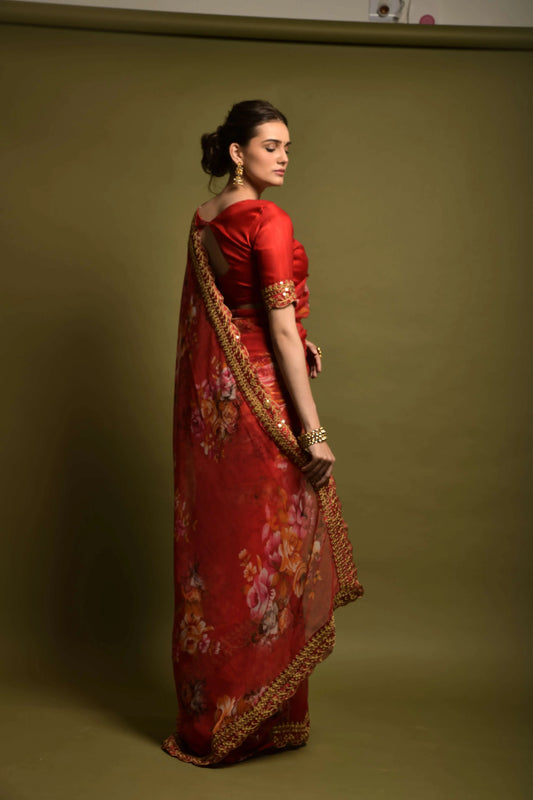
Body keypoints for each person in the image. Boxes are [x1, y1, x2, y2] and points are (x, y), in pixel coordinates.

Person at [161, 100, 363, 767]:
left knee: (226, 553)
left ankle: (220, 713)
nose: (282, 157)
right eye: (269, 145)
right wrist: (312, 432)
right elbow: (272, 327)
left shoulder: (205, 218)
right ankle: (250, 718)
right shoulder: (267, 219)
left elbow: (241, 309)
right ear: (236, 152)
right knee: (270, 560)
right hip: (263, 401)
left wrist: (298, 339)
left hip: (218, 405)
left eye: (286, 146)